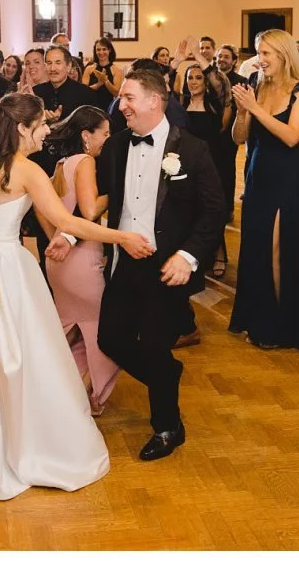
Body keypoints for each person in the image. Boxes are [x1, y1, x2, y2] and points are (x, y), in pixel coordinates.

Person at [0, 93, 154, 503]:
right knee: (18, 356)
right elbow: (68, 221)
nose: (46, 132)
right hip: (5, 269)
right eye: (39, 126)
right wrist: (121, 236)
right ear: (21, 128)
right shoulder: (26, 170)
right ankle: (19, 444)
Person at [86, 67, 223, 460]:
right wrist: (67, 232)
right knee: (110, 338)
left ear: (154, 100)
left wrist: (188, 256)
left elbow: (213, 212)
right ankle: (166, 377)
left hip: (168, 267)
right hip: (125, 262)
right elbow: (104, 203)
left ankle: (166, 427)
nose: (120, 104)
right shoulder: (114, 148)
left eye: (129, 97)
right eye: (121, 98)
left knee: (157, 345)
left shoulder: (193, 150)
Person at [227, 29, 299, 351]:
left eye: (266, 53)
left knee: (279, 247)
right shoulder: (256, 86)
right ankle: (258, 318)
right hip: (257, 174)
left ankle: (282, 325)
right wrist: (242, 113)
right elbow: (239, 138)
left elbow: (293, 136)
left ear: (283, 55)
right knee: (254, 246)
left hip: (286, 176)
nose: (260, 59)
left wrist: (254, 109)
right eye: (258, 52)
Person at [40, 106, 119, 416]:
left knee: (71, 335)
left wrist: (54, 237)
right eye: (105, 133)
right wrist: (116, 193)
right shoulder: (85, 162)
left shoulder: (60, 164)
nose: (108, 140)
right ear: (87, 136)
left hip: (60, 262)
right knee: (103, 333)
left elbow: (40, 207)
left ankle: (60, 394)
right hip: (83, 260)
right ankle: (86, 399)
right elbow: (88, 211)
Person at [181, 64, 232, 279]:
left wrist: (201, 59)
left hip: (212, 163)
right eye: (190, 78)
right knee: (191, 211)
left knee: (212, 209)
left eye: (198, 77)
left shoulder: (214, 104)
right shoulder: (181, 103)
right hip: (186, 164)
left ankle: (219, 252)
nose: (193, 81)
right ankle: (195, 254)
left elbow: (220, 84)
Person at [35, 44, 97, 123]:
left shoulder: (86, 94)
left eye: (58, 63)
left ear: (68, 66)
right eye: (49, 63)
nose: (52, 68)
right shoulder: (36, 93)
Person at [82, 37, 121, 110]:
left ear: (109, 50)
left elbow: (116, 93)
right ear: (95, 51)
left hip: (109, 108)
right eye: (98, 50)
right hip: (90, 108)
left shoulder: (117, 70)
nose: (101, 52)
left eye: (104, 49)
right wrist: (98, 84)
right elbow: (83, 92)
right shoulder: (89, 69)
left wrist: (106, 81)